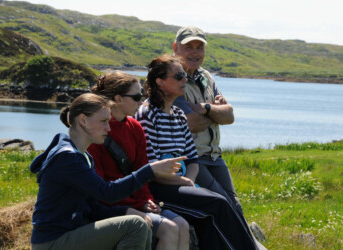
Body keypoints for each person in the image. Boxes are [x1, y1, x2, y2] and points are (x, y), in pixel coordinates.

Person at [29, 93, 185, 250]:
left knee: (138, 222)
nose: (109, 128)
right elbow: (107, 193)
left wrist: (126, 211)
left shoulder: (83, 156)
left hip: (70, 234)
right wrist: (150, 170)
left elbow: (92, 207)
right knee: (135, 225)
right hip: (51, 242)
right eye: (104, 121)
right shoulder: (67, 157)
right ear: (83, 120)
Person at [135, 55, 258, 250]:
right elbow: (151, 166)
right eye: (178, 76)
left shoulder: (179, 116)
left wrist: (189, 181)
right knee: (218, 203)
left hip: (182, 184)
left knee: (211, 217)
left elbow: (192, 158)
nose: (185, 79)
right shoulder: (146, 114)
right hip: (160, 189)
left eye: (184, 75)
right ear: (159, 82)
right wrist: (182, 182)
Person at [172, 26, 266, 250]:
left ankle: (248, 246)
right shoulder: (173, 77)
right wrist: (215, 112)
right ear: (176, 48)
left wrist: (203, 108)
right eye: (188, 47)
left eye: (199, 47)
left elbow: (229, 116)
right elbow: (189, 123)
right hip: (191, 158)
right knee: (222, 204)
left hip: (214, 156)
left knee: (234, 205)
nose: (195, 52)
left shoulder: (206, 76)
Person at [87, 71, 190, 250]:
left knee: (183, 225)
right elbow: (101, 189)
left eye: (142, 95)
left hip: (135, 203)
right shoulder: (97, 131)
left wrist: (147, 200)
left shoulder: (135, 128)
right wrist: (137, 205)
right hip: (114, 206)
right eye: (136, 97)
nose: (142, 101)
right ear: (118, 99)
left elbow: (141, 170)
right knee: (169, 228)